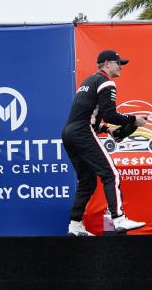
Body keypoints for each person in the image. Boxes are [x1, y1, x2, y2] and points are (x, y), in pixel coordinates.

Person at [63, 49, 147, 236]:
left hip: (69, 133)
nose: (121, 68)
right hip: (83, 132)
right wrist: (134, 120)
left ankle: (74, 226)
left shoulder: (88, 82)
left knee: (87, 182)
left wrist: (105, 129)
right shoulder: (106, 82)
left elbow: (86, 112)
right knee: (111, 174)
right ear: (107, 64)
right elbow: (110, 114)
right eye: (119, 64)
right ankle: (119, 219)